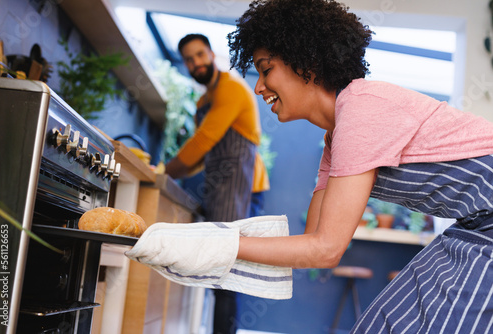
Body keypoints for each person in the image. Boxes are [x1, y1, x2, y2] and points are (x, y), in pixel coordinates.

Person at [224, 0, 493, 333]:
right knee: (383, 323)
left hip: (487, 223)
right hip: (474, 226)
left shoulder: (361, 110)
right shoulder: (336, 139)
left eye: (266, 70)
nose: (258, 86)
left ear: (305, 62)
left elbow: (325, 249)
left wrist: (221, 245)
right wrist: (224, 242)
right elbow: (312, 242)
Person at [165, 33, 268, 334]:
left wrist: (165, 169)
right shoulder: (204, 101)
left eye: (199, 54)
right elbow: (202, 155)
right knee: (219, 275)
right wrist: (170, 170)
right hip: (222, 187)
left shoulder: (231, 88)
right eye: (188, 59)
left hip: (245, 188)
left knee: (226, 276)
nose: (195, 62)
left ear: (210, 54)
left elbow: (203, 142)